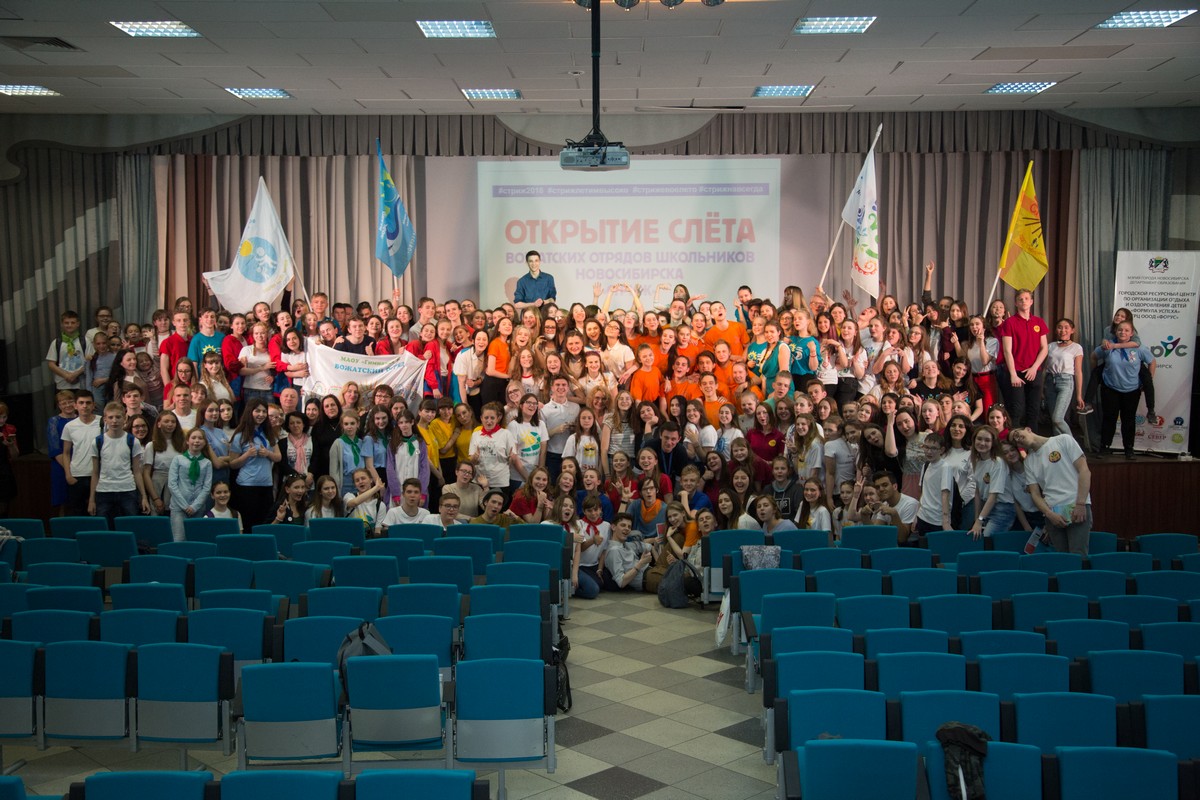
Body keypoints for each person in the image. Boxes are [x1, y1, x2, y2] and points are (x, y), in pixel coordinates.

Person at [1009, 427, 1092, 556]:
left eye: (1017, 434)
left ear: (1028, 429)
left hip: (1076, 505)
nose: (1017, 439)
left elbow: (1084, 471)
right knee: (1060, 557)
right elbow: (1035, 494)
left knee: (1078, 556)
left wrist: (1081, 504)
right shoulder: (1029, 461)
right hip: (1053, 512)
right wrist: (1049, 514)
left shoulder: (1063, 440)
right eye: (1015, 442)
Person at [1091, 320, 1155, 459]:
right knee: (1109, 419)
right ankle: (1104, 447)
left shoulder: (1139, 348)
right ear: (1115, 332)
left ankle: (1129, 450)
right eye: (1120, 330)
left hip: (1131, 390)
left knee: (1129, 420)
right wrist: (1098, 375)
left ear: (1132, 333)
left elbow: (1152, 361)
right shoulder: (1107, 346)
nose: (1123, 332)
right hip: (1110, 389)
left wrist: (1148, 381)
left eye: (1126, 330)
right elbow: (1094, 356)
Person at [88, 402, 151, 528]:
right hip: (104, 491)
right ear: (105, 419)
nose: (114, 421)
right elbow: (95, 473)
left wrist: (143, 497)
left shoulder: (132, 441)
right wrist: (91, 499)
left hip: (127, 490)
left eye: (118, 417)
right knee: (105, 529)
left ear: (124, 418)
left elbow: (137, 471)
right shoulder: (98, 442)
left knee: (130, 527)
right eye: (110, 417)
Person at [996, 289, 1049, 429]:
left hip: (1034, 371)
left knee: (1034, 410)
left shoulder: (1039, 322)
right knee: (1016, 410)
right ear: (1016, 303)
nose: (1023, 301)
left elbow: (1044, 348)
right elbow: (1007, 351)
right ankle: (1015, 440)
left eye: (1026, 299)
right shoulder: (1010, 322)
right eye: (1020, 299)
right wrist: (1013, 374)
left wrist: (1034, 367)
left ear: (1031, 302)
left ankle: (1032, 440)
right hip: (1016, 372)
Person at [167, 427, 213, 541]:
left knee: (195, 539)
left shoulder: (207, 463)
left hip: (198, 508)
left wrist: (195, 506)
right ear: (187, 441)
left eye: (200, 438)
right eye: (193, 438)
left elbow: (207, 487)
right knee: (179, 539)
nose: (196, 441)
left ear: (204, 442)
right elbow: (172, 484)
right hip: (179, 507)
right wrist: (185, 506)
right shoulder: (178, 459)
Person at [603, 512, 653, 592]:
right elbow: (621, 582)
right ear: (613, 527)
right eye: (623, 525)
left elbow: (650, 546)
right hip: (646, 578)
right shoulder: (613, 551)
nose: (627, 529)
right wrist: (640, 563)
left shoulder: (628, 545)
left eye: (629, 527)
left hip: (652, 570)